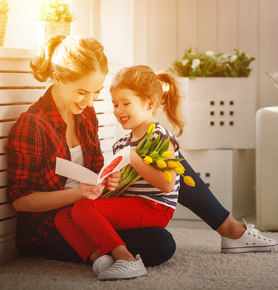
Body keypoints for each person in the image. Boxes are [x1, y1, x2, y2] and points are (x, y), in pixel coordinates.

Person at [6, 35, 176, 268]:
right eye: (81, 92)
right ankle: (106, 255)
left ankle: (105, 254)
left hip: (86, 212)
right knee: (159, 244)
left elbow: (96, 170)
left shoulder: (86, 115)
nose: (88, 101)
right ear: (57, 78)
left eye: (95, 92)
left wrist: (107, 179)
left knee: (160, 238)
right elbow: (21, 201)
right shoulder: (33, 124)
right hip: (51, 224)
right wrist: (78, 195)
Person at [54, 65, 185, 280]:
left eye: (126, 103)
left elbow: (167, 185)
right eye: (115, 104)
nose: (118, 111)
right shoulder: (122, 144)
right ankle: (100, 258)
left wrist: (134, 158)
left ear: (150, 103)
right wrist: (111, 182)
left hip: (154, 208)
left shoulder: (161, 138)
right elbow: (125, 187)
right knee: (64, 215)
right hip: (133, 205)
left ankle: (127, 259)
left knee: (83, 207)